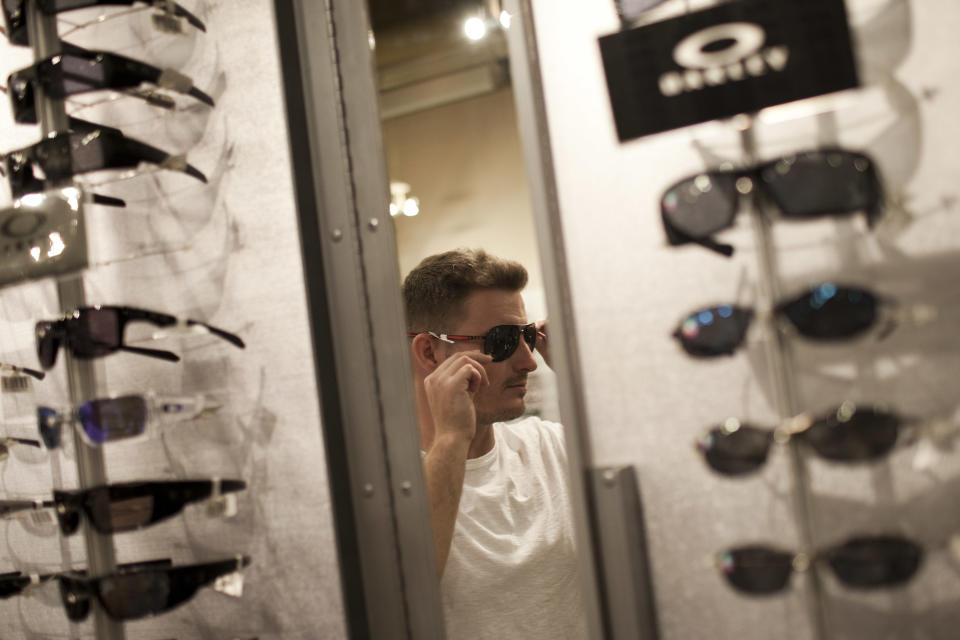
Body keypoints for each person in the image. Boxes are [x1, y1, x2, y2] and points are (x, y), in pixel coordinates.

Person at [402, 249, 587, 639]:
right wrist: (452, 438)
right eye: (503, 341)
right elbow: (403, 595)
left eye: (527, 338)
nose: (529, 362)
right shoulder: (389, 486)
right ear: (429, 352)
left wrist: (580, 374)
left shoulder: (549, 446)